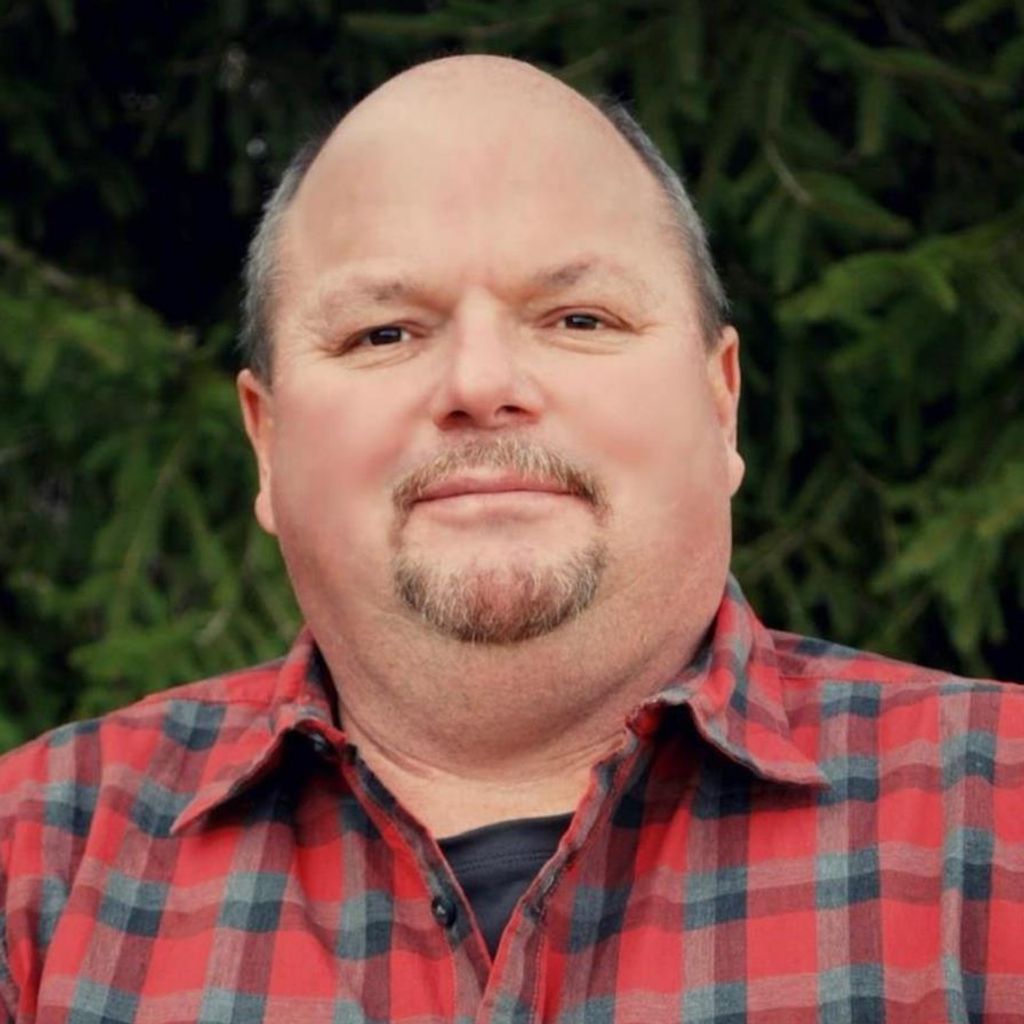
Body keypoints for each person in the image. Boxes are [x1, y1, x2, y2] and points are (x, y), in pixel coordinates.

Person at [1, 54, 1021, 1024]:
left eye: (580, 318)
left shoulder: (999, 814)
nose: (481, 383)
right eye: (384, 333)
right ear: (266, 442)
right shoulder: (33, 868)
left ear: (721, 404)